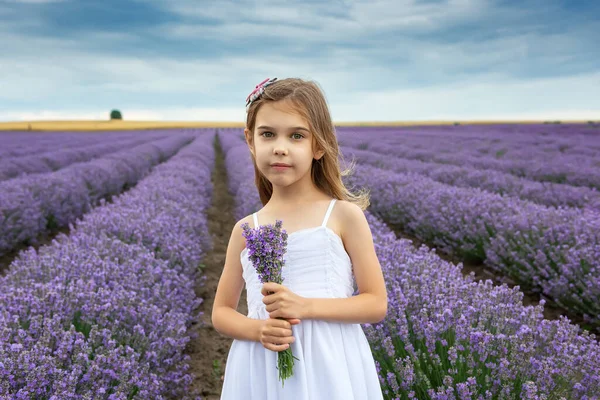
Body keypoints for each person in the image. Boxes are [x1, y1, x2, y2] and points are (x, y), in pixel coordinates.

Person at [212, 77, 387, 399]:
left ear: (319, 145)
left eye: (296, 136)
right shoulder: (245, 229)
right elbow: (221, 311)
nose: (280, 147)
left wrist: (305, 306)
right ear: (250, 141)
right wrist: (257, 328)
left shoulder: (343, 215)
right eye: (268, 134)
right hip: (261, 363)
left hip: (329, 361)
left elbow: (375, 303)